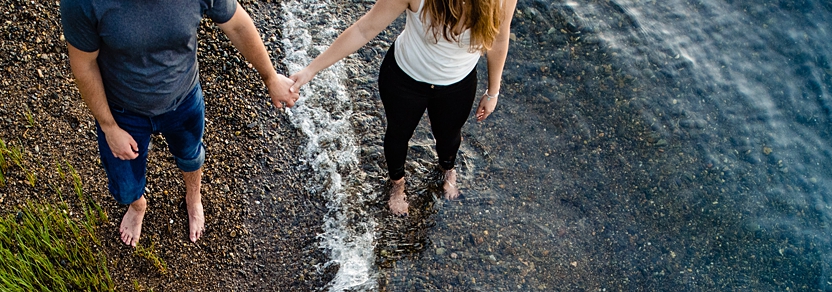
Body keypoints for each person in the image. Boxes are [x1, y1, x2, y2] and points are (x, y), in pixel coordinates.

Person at [61, 0, 297, 245]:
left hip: (184, 99)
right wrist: (109, 126)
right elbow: (84, 65)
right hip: (122, 111)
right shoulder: (83, 4)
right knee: (126, 186)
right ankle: (137, 205)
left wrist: (270, 77)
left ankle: (193, 197)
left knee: (190, 155)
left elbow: (237, 24)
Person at [287, 0, 516, 215]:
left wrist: (492, 91)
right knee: (398, 134)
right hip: (404, 79)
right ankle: (397, 184)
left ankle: (448, 169)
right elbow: (364, 29)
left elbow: (499, 38)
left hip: (457, 85)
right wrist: (310, 70)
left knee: (449, 137)